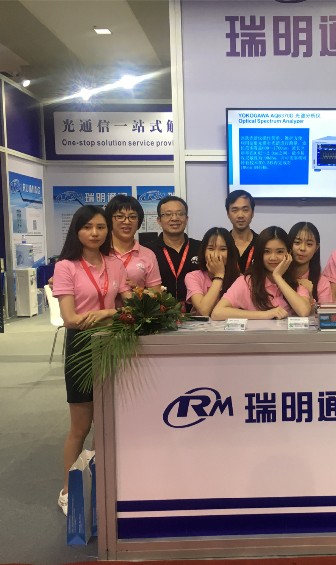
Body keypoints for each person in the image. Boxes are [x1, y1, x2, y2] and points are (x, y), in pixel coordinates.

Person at [52, 205, 131, 516]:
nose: (95, 233)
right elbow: (70, 319)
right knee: (80, 426)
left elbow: (129, 308)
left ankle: (99, 485)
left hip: (113, 344)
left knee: (107, 422)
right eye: (87, 227)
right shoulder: (66, 266)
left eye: (100, 227)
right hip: (82, 348)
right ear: (77, 231)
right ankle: (68, 490)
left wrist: (107, 313)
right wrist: (112, 314)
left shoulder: (115, 263)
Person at [211, 226, 311, 320]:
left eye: (279, 252)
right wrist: (266, 314)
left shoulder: (296, 283)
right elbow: (217, 313)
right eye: (267, 251)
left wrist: (278, 277)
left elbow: (303, 311)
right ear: (259, 254)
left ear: (289, 254)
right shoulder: (246, 282)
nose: (273, 257)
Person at [145, 195, 201, 309]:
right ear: (159, 220)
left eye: (180, 214)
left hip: (197, 313)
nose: (174, 218)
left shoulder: (201, 248)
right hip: (159, 315)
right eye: (168, 214)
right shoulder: (147, 251)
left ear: (187, 218)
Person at [104, 195, 161, 292]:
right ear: (109, 220)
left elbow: (157, 294)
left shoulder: (148, 254)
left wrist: (138, 290)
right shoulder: (101, 251)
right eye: (120, 216)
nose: (127, 221)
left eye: (132, 217)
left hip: (136, 302)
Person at [184, 227, 240, 316]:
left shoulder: (240, 279)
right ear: (203, 251)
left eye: (223, 249)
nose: (216, 254)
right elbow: (204, 311)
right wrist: (219, 275)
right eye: (211, 248)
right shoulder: (193, 277)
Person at [288, 221, 332, 305]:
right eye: (297, 242)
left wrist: (310, 296)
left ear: (316, 248)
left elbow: (325, 312)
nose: (302, 248)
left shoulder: (322, 282)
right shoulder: (279, 276)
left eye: (309, 244)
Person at [226, 190, 258, 274]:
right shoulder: (222, 242)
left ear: (252, 213)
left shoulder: (261, 243)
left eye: (245, 210)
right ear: (228, 214)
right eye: (235, 210)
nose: (240, 215)